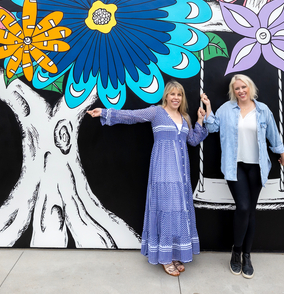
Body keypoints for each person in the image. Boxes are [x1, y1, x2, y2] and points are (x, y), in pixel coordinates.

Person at [88, 81, 207, 276]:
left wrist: (200, 120)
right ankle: (165, 258)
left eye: (179, 95)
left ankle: (174, 253)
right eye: (172, 94)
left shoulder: (184, 117)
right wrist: (104, 112)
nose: (176, 98)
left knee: (178, 212)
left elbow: (193, 140)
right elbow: (132, 116)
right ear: (166, 96)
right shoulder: (157, 112)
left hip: (181, 175)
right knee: (165, 211)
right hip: (163, 172)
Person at [201, 74, 284, 279]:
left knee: (250, 211)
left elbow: (273, 133)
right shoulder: (226, 109)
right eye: (237, 88)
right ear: (233, 91)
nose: (241, 91)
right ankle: (237, 251)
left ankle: (247, 256)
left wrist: (281, 153)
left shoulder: (262, 110)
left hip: (257, 166)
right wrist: (208, 108)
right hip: (235, 166)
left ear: (250, 88)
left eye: (243, 87)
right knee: (242, 207)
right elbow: (212, 128)